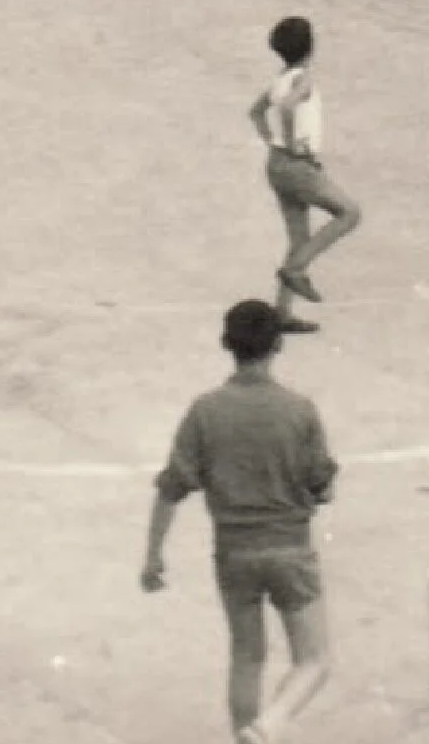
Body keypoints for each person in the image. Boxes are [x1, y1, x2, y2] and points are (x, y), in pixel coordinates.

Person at [143, 300, 338, 744]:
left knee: (247, 657)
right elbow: (321, 485)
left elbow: (171, 488)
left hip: (233, 551)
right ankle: (269, 727)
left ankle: (245, 737)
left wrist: (153, 555)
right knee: (314, 660)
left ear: (226, 345)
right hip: (290, 547)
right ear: (278, 345)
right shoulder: (299, 410)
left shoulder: (205, 410)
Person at [245, 17, 359, 337]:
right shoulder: (304, 79)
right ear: (311, 48)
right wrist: (297, 146)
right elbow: (287, 109)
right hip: (297, 166)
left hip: (276, 164)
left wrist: (272, 141)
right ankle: (295, 270)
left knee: (298, 238)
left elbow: (255, 112)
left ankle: (282, 313)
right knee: (350, 213)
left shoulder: (280, 79)